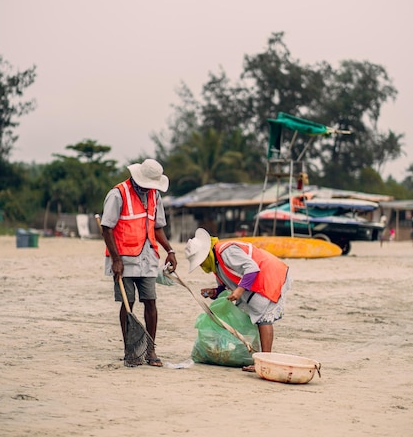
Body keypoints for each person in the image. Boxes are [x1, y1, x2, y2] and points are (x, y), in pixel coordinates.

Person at [100, 159, 177, 367]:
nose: (150, 188)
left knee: (150, 301)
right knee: (128, 304)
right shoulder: (118, 194)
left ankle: (150, 349)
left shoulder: (155, 195)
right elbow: (107, 228)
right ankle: (131, 351)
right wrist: (115, 260)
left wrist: (170, 250)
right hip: (123, 259)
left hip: (148, 257)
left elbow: (158, 227)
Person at [184, 228, 292, 372]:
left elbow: (252, 268)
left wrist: (240, 290)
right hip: (258, 280)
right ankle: (260, 357)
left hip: (270, 274)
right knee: (256, 315)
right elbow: (227, 284)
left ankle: (265, 361)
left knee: (264, 318)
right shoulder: (216, 262)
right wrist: (215, 292)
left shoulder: (225, 251)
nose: (202, 265)